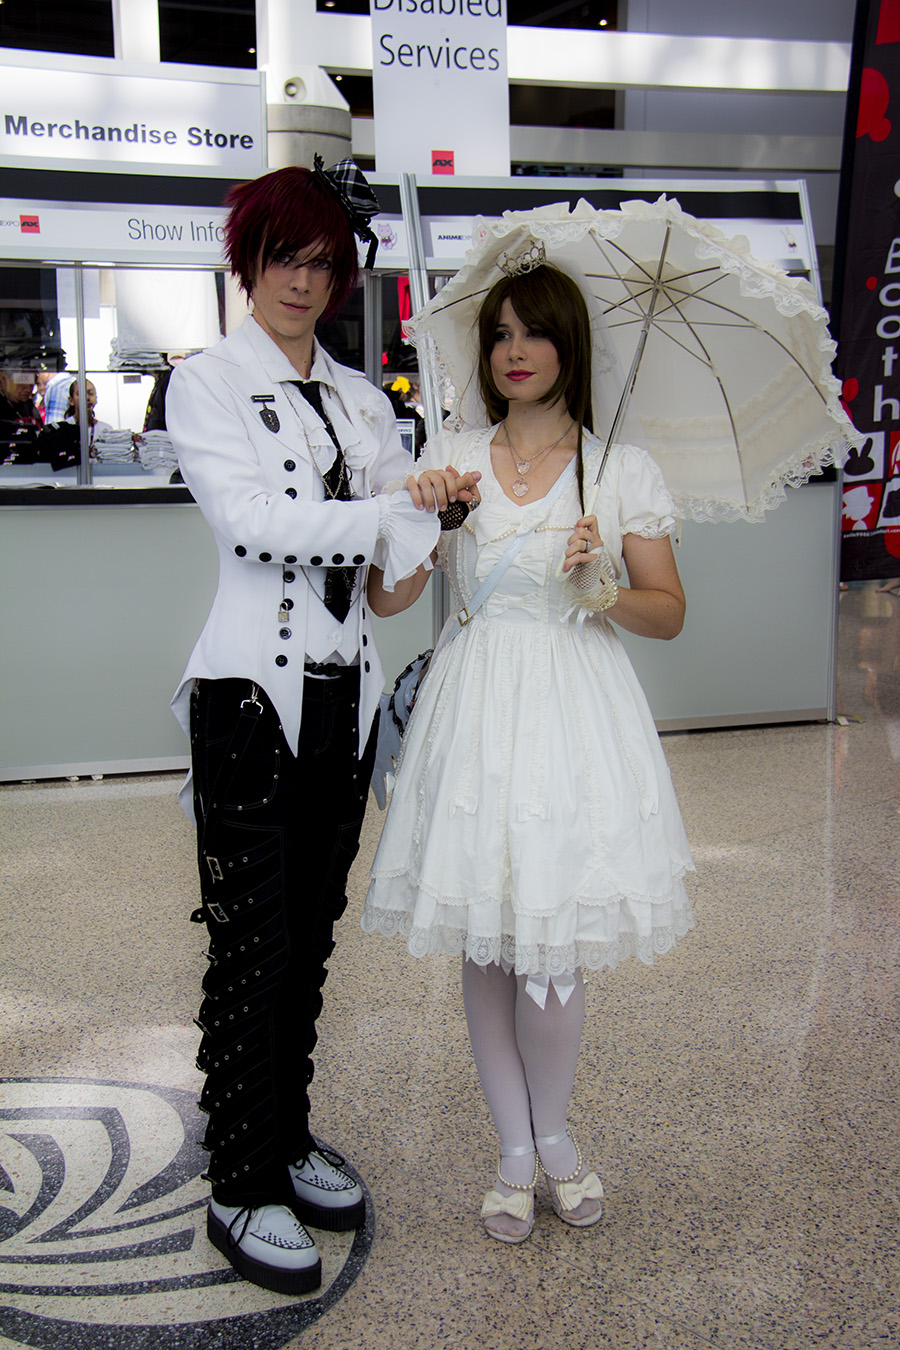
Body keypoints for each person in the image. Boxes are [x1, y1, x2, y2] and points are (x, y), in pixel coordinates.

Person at [166, 161, 478, 1295]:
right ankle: (239, 1182)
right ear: (245, 262)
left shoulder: (361, 399)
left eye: (320, 264)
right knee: (250, 948)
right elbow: (252, 524)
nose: (300, 282)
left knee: (307, 942)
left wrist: (434, 519)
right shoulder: (205, 383)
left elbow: (386, 586)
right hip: (250, 702)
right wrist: (390, 508)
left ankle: (287, 1137)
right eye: (281, 258)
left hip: (344, 704)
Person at [362, 261, 695, 1243]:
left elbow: (669, 612)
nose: (514, 350)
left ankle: (554, 1136)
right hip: (474, 711)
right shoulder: (453, 456)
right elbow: (387, 599)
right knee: (488, 936)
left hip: (573, 713)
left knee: (552, 948)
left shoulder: (618, 470)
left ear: (568, 346)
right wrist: (426, 521)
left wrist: (603, 591)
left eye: (535, 332)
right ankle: (514, 1151)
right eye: (501, 333)